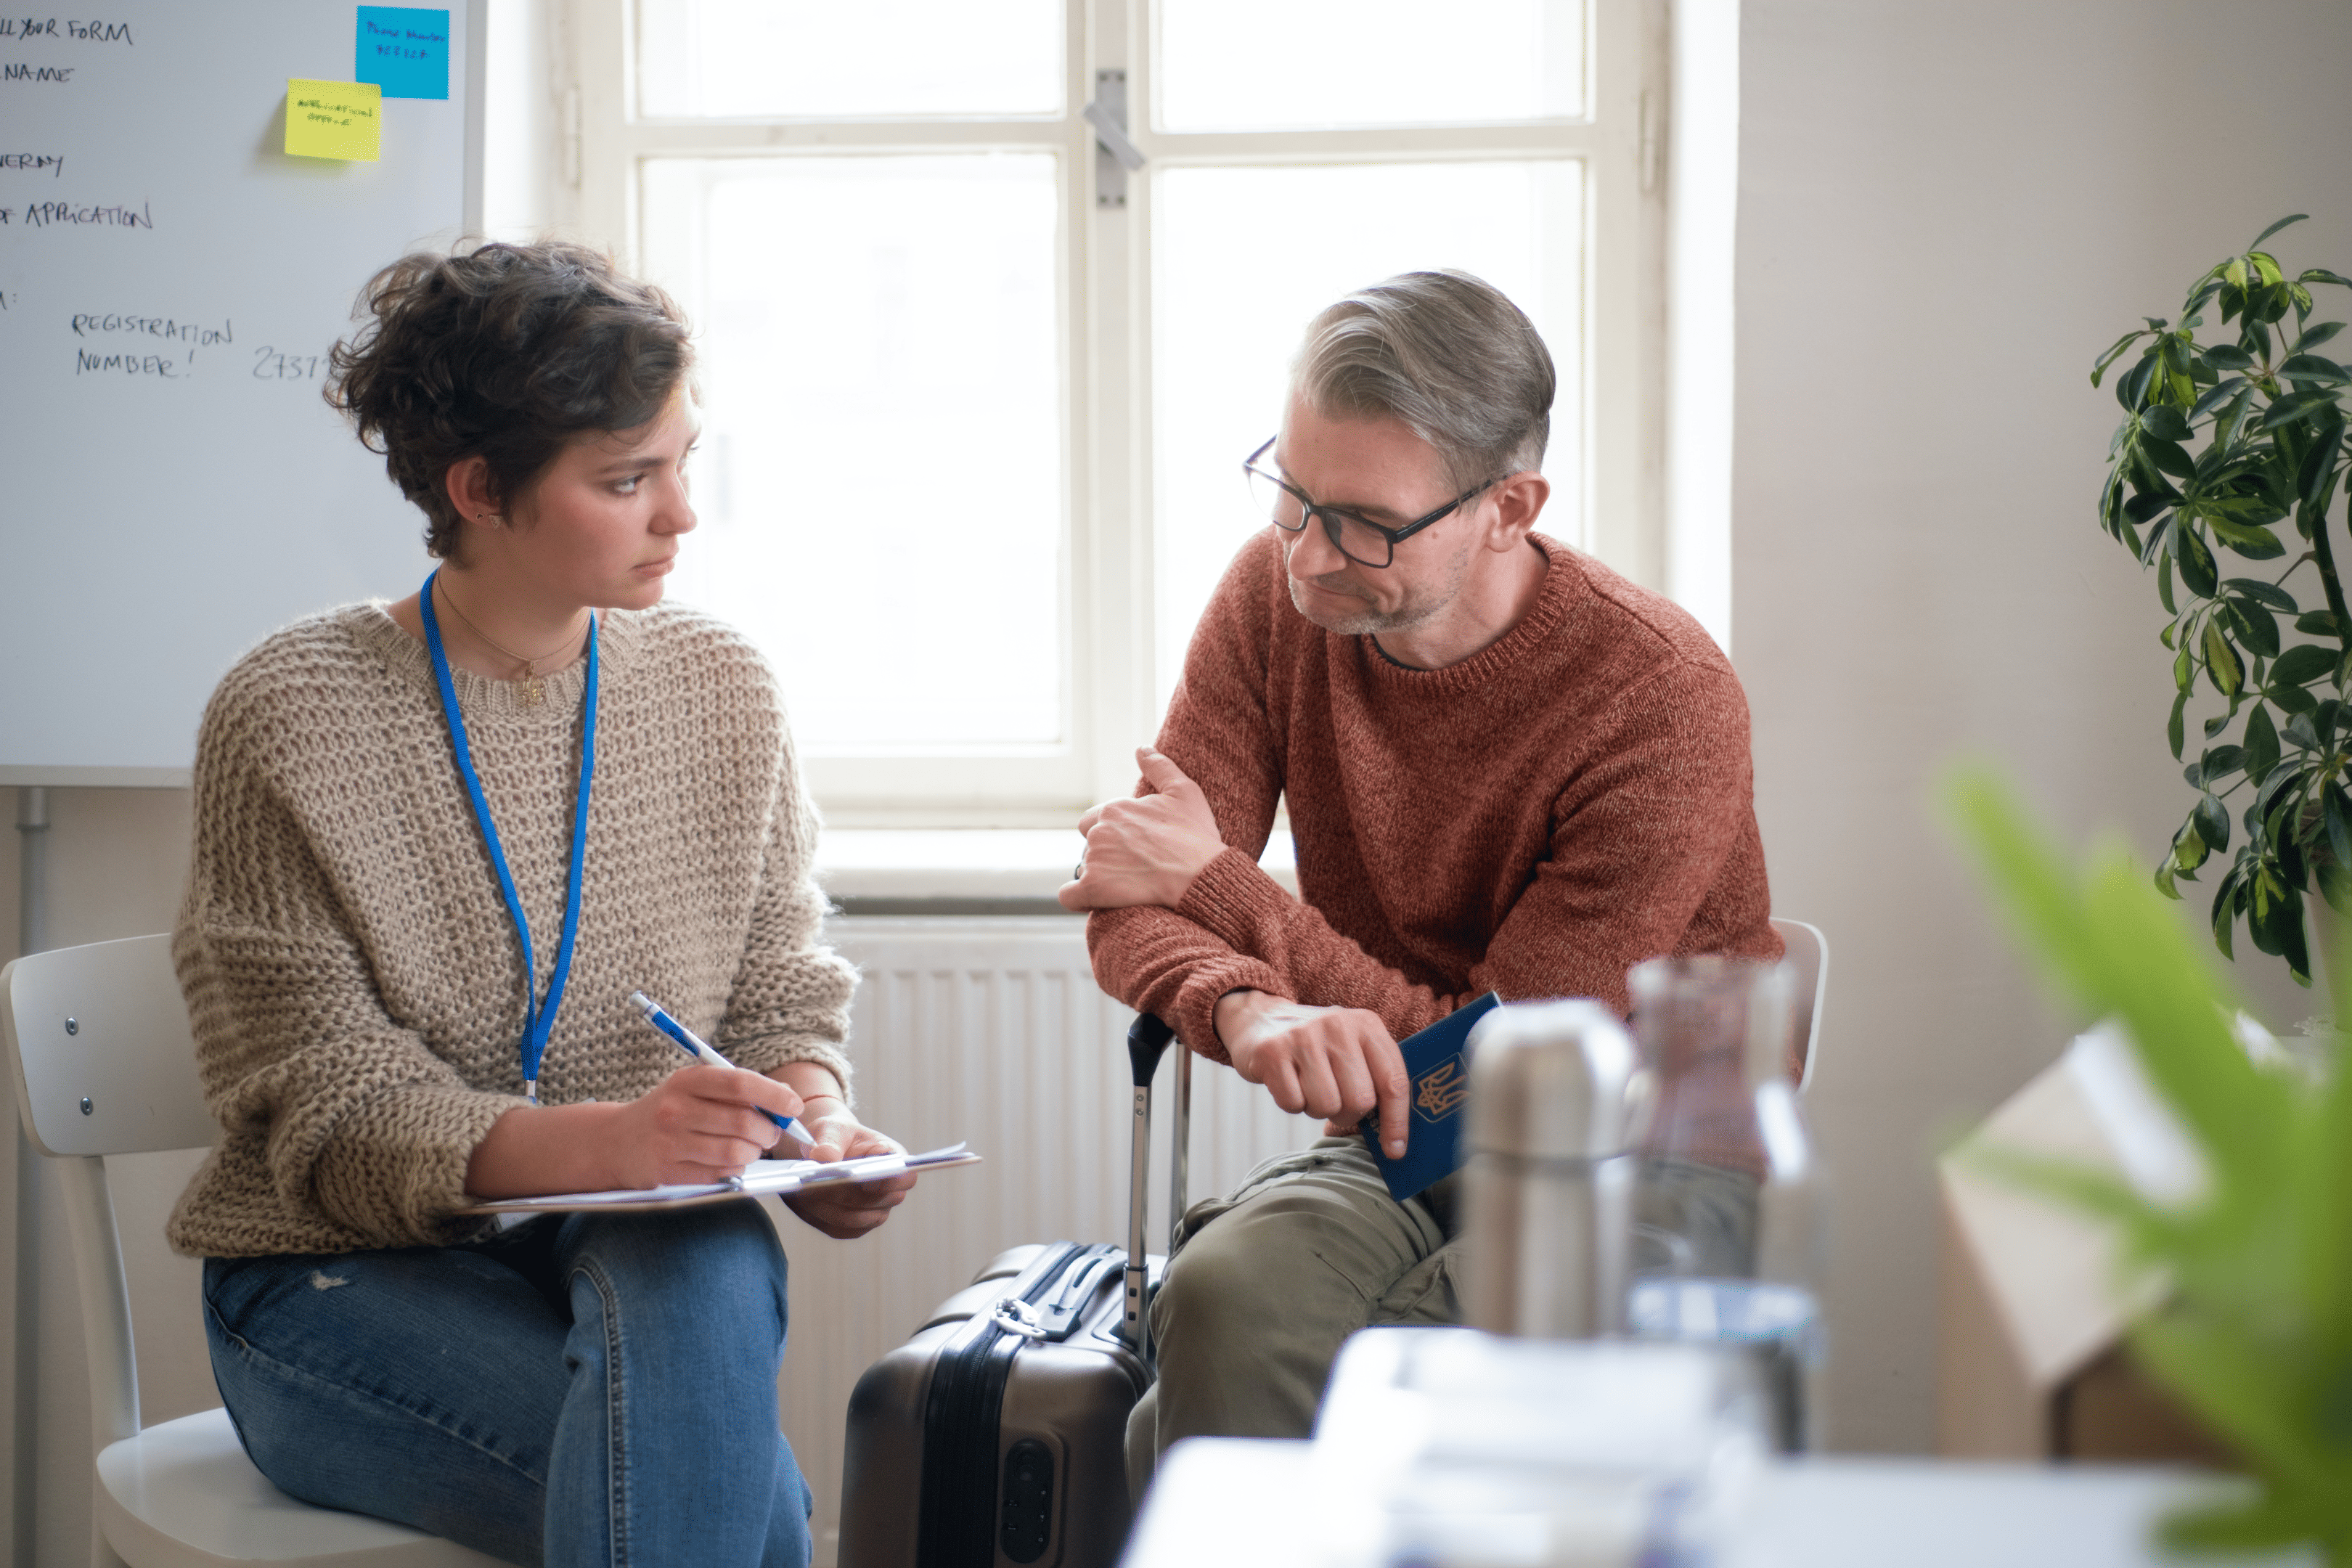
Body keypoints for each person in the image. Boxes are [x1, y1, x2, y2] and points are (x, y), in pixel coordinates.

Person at [168, 241, 912, 1568]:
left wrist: (816, 1123)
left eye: (685, 461)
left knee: (715, 1249)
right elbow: (330, 1115)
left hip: (618, 1258)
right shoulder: (290, 713)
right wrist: (618, 1143)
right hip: (339, 1278)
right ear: (479, 491)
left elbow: (777, 984)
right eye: (629, 480)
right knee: (759, 1519)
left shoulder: (718, 686)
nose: (683, 514)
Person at [1057, 270, 1781, 1493]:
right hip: (1398, 1139)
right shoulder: (1274, 597)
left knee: (1417, 1372)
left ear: (1509, 505)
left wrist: (1230, 893)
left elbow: (1506, 1078)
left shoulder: (1660, 694)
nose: (1306, 551)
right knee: (1230, 1301)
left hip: (1634, 1147)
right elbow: (1133, 887)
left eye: (1363, 522)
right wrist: (1250, 1006)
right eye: (1289, 490)